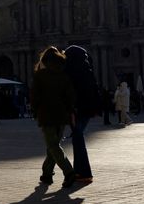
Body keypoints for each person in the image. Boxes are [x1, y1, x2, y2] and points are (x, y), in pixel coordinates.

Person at [31, 46, 76, 188]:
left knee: (53, 145)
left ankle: (69, 172)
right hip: (62, 115)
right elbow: (70, 96)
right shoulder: (64, 75)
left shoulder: (40, 75)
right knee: (53, 145)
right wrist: (70, 112)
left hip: (47, 114)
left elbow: (34, 96)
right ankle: (46, 174)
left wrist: (35, 109)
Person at [64, 45, 100, 184]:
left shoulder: (70, 71)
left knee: (78, 138)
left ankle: (84, 172)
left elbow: (71, 93)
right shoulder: (87, 70)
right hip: (87, 110)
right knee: (77, 138)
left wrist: (72, 109)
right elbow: (94, 91)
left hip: (76, 110)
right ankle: (79, 171)